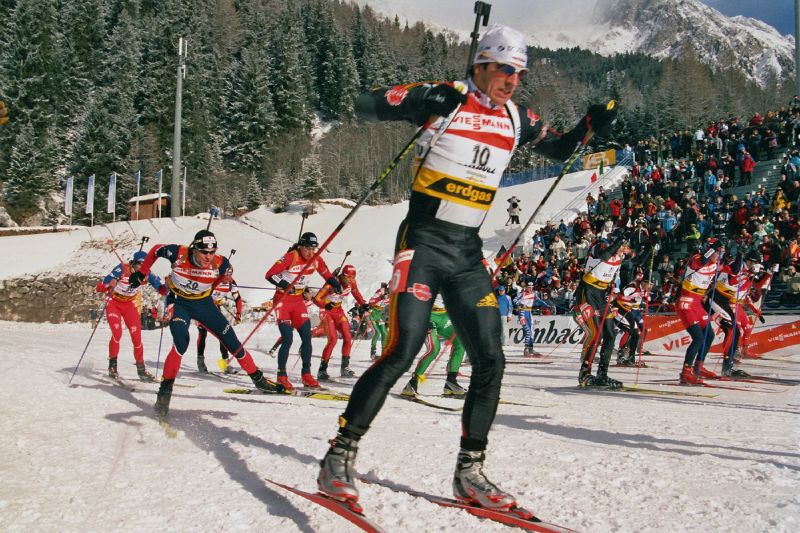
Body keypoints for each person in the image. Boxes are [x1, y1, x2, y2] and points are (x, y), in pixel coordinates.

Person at [317, 23, 617, 512]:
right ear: (480, 65)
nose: (511, 81)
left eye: (518, 73)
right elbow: (364, 104)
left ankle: (470, 472)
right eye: (503, 70)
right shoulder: (448, 97)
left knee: (491, 360)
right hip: (423, 242)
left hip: (466, 252)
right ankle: (339, 455)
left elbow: (561, 149)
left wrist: (590, 124)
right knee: (403, 348)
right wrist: (417, 100)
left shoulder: (517, 117)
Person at [129, 230, 281, 420]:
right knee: (181, 343)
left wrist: (211, 289)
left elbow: (220, 279)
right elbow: (154, 250)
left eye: (211, 252)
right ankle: (164, 393)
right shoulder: (178, 253)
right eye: (203, 252)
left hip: (203, 304)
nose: (208, 257)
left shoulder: (221, 262)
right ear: (194, 248)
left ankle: (258, 379)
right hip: (179, 304)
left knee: (231, 340)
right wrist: (142, 273)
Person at [265, 232, 340, 391]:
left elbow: (327, 275)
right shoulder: (291, 256)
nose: (310, 252)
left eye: (313, 249)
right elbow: (270, 275)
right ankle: (282, 376)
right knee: (287, 338)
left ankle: (306, 375)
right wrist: (285, 284)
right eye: (307, 249)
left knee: (307, 337)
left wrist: (335, 283)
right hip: (283, 300)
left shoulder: (316, 259)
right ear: (301, 246)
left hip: (298, 302)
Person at [95, 250, 166, 381]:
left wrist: (167, 287)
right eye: (140, 264)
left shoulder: (147, 273)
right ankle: (112, 366)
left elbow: (159, 286)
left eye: (145, 265)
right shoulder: (122, 268)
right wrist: (110, 283)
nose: (142, 267)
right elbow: (103, 283)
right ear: (134, 263)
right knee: (117, 333)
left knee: (137, 337)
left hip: (129, 304)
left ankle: (141, 370)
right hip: (114, 303)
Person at [574, 233, 630, 388]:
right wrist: (619, 240)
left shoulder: (620, 256)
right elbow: (604, 255)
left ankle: (602, 374)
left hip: (602, 295)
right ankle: (584, 374)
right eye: (623, 247)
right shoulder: (600, 245)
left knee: (610, 334)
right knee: (595, 334)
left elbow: (635, 257)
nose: (624, 250)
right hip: (588, 292)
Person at [675, 238, 724, 384]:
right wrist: (714, 247)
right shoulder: (697, 259)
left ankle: (699, 367)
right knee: (698, 338)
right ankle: (686, 372)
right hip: (686, 302)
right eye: (717, 253)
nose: (719, 256)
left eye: (721, 253)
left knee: (709, 335)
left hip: (697, 303)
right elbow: (701, 261)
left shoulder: (715, 265)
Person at [400, 295, 468, 397]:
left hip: (444, 314)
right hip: (429, 316)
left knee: (461, 344)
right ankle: (412, 383)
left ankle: (451, 383)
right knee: (434, 350)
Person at [710, 251, 762, 377]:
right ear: (749, 260)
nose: (755, 265)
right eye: (754, 263)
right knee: (732, 331)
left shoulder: (744, 268)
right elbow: (733, 281)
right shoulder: (737, 266)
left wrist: (763, 275)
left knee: (735, 332)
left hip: (724, 301)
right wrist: (750, 273)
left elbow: (743, 285)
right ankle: (726, 366)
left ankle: (728, 365)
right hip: (716, 299)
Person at [313, 264, 367, 381]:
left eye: (352, 278)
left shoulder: (352, 282)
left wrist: (363, 304)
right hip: (327, 311)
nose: (350, 281)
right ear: (343, 275)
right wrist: (326, 304)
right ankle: (322, 370)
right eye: (348, 278)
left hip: (338, 311)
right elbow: (316, 299)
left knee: (348, 337)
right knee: (333, 340)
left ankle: (345, 368)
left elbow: (356, 292)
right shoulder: (332, 282)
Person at [196, 277, 243, 374]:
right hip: (203, 307)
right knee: (203, 333)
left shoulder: (231, 282)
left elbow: (238, 298)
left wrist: (238, 313)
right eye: (226, 276)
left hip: (215, 309)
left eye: (230, 276)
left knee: (224, 333)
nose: (228, 279)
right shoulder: (213, 279)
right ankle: (200, 361)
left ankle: (225, 363)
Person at [613, 271, 649, 367]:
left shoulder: (642, 289)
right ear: (643, 282)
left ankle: (631, 357)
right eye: (649, 284)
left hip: (628, 311)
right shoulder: (634, 287)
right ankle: (621, 355)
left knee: (636, 334)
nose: (649, 287)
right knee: (628, 331)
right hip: (620, 310)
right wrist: (633, 298)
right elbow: (622, 295)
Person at [513, 281, 549, 356]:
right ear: (526, 287)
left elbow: (539, 301)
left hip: (529, 314)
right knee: (528, 331)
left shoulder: (534, 294)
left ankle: (531, 349)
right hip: (522, 313)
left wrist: (546, 305)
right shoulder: (522, 293)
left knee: (531, 332)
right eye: (529, 287)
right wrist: (521, 304)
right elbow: (514, 300)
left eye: (531, 287)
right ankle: (526, 349)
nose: (530, 288)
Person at [367, 283, 390, 359]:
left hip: (380, 314)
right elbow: (371, 301)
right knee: (377, 333)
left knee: (384, 333)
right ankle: (372, 352)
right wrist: (381, 297)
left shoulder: (393, 295)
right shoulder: (381, 291)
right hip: (373, 312)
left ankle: (384, 353)